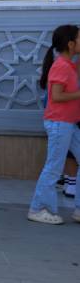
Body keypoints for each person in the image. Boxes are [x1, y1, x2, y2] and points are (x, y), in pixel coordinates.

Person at [27, 25, 80, 225]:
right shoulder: (61, 66)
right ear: (71, 44)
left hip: (68, 123)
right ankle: (39, 208)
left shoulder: (69, 64)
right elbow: (56, 96)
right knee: (53, 167)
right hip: (59, 123)